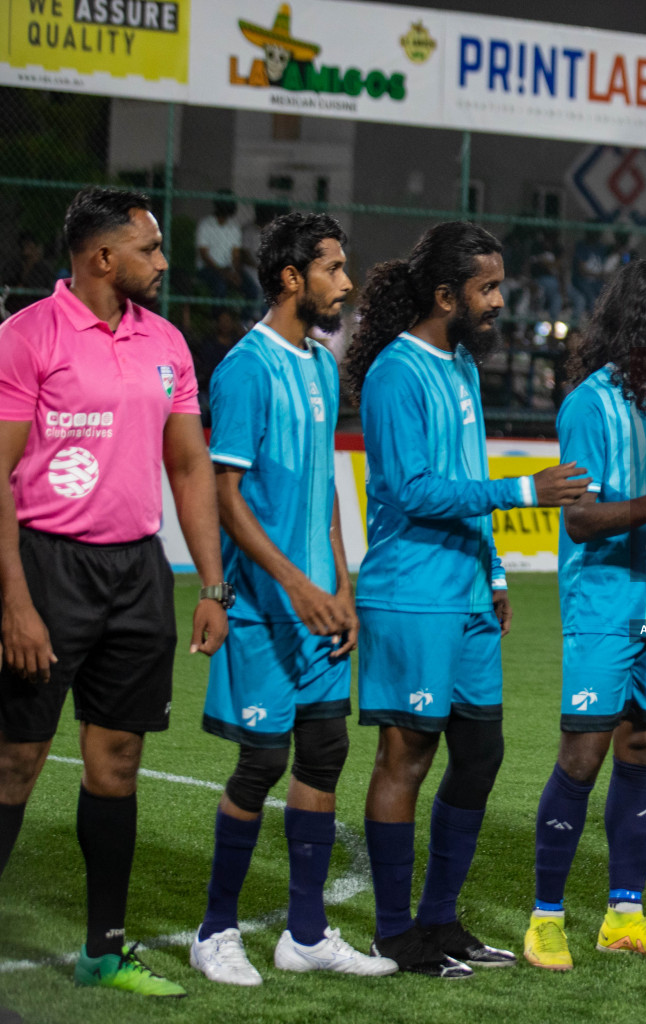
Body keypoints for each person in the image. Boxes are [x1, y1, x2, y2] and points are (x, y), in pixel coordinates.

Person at [0, 186, 230, 997]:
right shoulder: (26, 337)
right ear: (103, 258)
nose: (164, 262)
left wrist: (211, 583)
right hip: (45, 564)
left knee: (118, 760)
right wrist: (15, 602)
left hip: (137, 573)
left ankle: (105, 950)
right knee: (15, 762)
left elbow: (189, 465)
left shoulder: (166, 342)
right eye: (151, 248)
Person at [344, 221, 589, 978]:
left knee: (480, 753)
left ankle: (441, 919)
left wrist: (496, 573)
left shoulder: (462, 368)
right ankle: (394, 932)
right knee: (407, 756)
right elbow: (411, 490)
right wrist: (526, 490)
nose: (499, 301)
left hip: (468, 594)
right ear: (445, 294)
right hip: (411, 592)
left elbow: (464, 473)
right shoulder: (394, 372)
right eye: (487, 288)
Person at [188, 212, 395, 985]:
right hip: (264, 611)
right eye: (334, 268)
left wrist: (340, 585)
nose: (346, 282)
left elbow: (325, 489)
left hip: (317, 607)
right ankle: (215, 932)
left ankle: (306, 934)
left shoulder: (316, 362)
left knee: (326, 750)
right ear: (290, 278)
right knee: (260, 763)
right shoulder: (245, 367)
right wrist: (299, 586)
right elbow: (227, 498)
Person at [524, 256, 646, 971]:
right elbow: (578, 521)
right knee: (584, 753)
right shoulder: (588, 403)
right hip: (604, 604)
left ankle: (624, 915)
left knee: (644, 751)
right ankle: (545, 918)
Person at [196, 193, 259, 305]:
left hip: (228, 269)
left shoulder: (233, 227)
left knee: (252, 290)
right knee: (220, 286)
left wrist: (236, 273)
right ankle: (219, 318)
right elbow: (204, 255)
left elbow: (235, 254)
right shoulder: (206, 224)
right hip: (208, 269)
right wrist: (222, 272)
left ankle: (245, 320)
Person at [2, 232, 58, 314]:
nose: (27, 248)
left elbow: (43, 286)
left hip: (34, 304)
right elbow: (8, 282)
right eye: (24, 245)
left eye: (29, 245)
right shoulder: (14, 265)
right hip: (14, 305)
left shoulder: (43, 268)